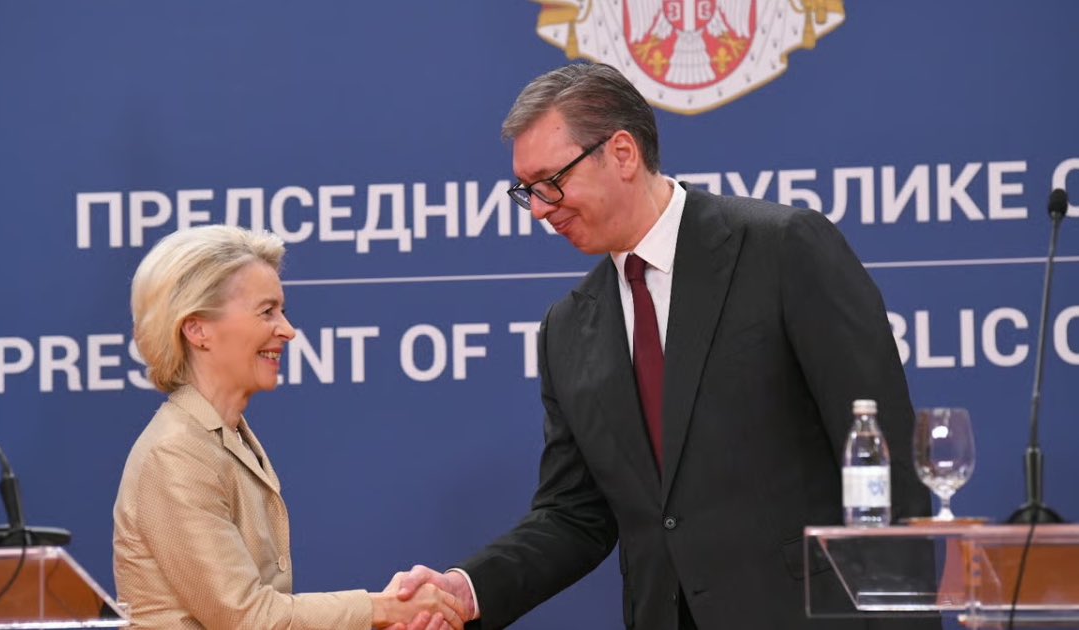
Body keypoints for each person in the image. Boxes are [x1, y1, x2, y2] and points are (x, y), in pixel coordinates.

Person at [394, 63, 936, 628]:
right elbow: (574, 516)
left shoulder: (782, 251)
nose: (538, 208)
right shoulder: (566, 330)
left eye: (551, 181)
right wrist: (466, 587)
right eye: (525, 191)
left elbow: (885, 464)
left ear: (623, 154)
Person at [113, 225, 465, 629]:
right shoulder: (177, 453)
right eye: (267, 312)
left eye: (281, 310)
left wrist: (387, 616)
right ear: (197, 329)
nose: (288, 330)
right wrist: (383, 609)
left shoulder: (224, 437)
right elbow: (248, 618)